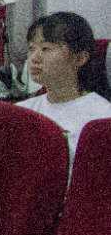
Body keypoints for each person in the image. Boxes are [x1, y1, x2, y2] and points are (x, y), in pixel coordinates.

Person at [16, 12, 111, 171]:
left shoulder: (103, 116)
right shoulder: (21, 111)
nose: (34, 58)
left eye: (46, 48)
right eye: (31, 48)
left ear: (80, 58)